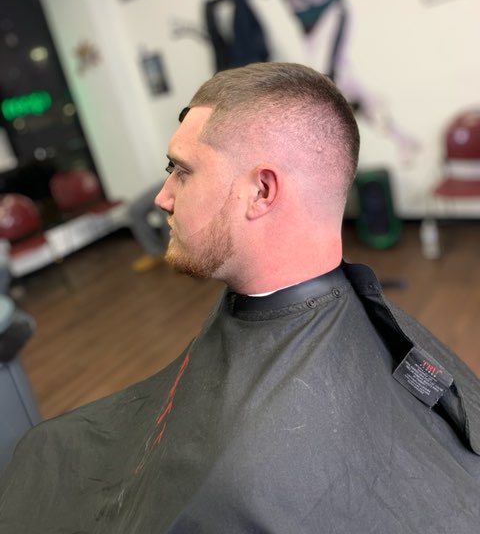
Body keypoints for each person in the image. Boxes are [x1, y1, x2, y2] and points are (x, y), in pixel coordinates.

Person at [0, 62, 479, 532]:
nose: (162, 197)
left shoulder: (246, 477)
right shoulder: (354, 320)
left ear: (262, 192)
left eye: (182, 172)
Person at [258, 0, 420, 162]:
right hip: (308, 29)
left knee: (321, 82)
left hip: (330, 13)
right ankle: (402, 139)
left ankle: (319, 155)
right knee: (348, 86)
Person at [128, 182, 169, 272]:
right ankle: (155, 253)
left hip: (189, 180)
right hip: (172, 177)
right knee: (135, 209)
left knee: (164, 210)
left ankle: (174, 254)